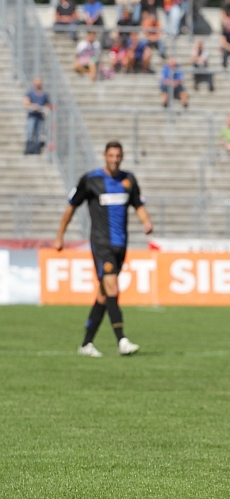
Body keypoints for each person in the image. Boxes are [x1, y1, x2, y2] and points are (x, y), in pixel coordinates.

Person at [55, 141, 153, 357]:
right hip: (101, 244)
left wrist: (146, 222)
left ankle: (86, 344)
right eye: (111, 155)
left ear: (122, 157)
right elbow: (71, 207)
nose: (115, 160)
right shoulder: (91, 180)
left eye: (118, 156)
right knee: (112, 288)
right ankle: (122, 340)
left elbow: (138, 205)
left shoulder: (129, 180)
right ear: (105, 156)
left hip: (121, 245)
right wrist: (60, 235)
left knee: (103, 295)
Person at [23, 77, 51, 155]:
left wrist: (45, 110)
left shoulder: (44, 94)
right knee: (30, 132)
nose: (38, 84)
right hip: (32, 116)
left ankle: (36, 148)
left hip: (40, 116)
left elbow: (47, 104)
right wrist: (33, 106)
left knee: (39, 133)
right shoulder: (30, 93)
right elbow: (25, 102)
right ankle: (28, 148)